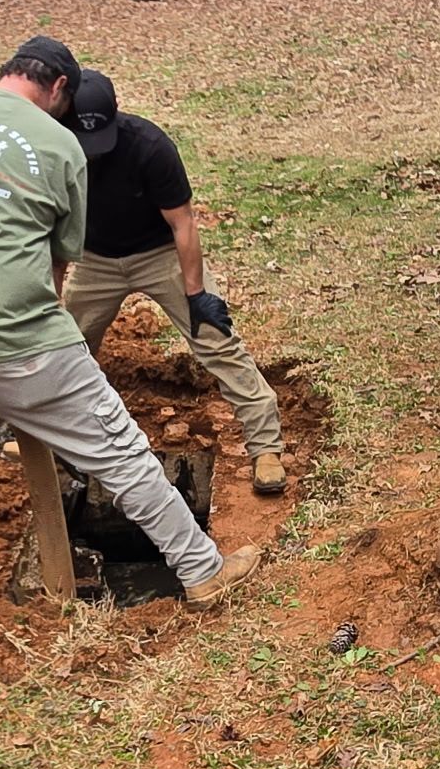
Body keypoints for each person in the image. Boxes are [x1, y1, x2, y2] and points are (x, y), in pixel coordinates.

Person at [0, 35, 262, 610]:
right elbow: (59, 261)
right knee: (123, 456)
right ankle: (202, 572)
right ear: (58, 88)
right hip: (27, 347)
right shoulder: (58, 144)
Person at [59, 69, 286, 495]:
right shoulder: (54, 144)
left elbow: (183, 224)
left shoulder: (150, 146)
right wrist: (51, 299)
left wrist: (197, 293)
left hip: (159, 253)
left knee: (215, 339)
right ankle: (59, 443)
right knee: (65, 347)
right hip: (94, 259)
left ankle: (266, 447)